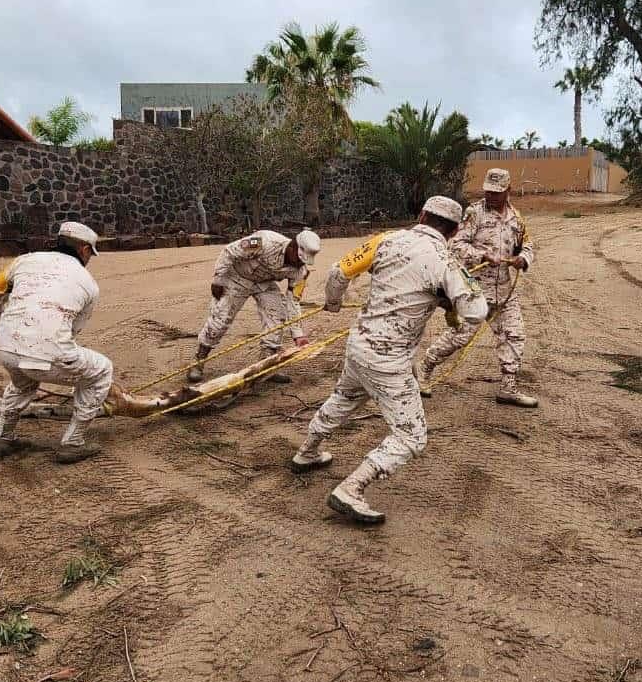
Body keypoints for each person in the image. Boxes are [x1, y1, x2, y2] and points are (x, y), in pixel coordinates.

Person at [289, 196, 487, 524]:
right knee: (411, 436)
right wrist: (447, 297)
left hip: (359, 344)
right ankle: (351, 489)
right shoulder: (445, 261)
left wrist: (334, 304)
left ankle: (307, 452)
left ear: (421, 215)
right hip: (389, 360)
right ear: (453, 232)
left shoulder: (385, 240)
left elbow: (339, 272)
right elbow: (476, 311)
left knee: (343, 398)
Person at [0, 222, 112, 464]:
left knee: (21, 385)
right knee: (102, 370)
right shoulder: (88, 283)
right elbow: (72, 331)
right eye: (90, 253)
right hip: (48, 353)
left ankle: (2, 437)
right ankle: (73, 443)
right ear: (84, 250)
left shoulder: (23, 260)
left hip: (6, 349)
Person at [418, 168, 538, 407]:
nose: (491, 196)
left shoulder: (516, 218)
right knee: (459, 336)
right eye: (488, 191)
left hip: (504, 291)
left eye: (497, 192)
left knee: (513, 336)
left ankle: (508, 388)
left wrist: (523, 259)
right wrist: (482, 255)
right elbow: (456, 245)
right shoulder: (474, 213)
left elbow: (528, 245)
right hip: (474, 288)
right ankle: (424, 368)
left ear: (508, 191)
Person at [187, 229, 320, 383]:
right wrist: (218, 280)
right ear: (292, 246)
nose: (299, 263)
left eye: (303, 261)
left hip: (264, 284)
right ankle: (198, 360)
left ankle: (266, 364)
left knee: (277, 318)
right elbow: (229, 252)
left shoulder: (300, 272)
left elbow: (294, 300)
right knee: (220, 320)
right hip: (237, 278)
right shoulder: (263, 241)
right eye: (298, 259)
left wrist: (298, 335)